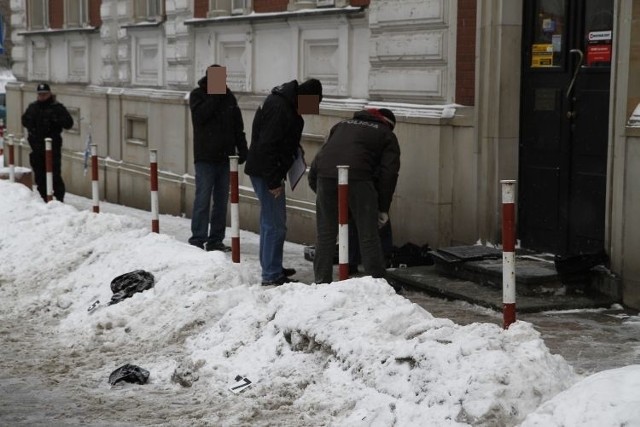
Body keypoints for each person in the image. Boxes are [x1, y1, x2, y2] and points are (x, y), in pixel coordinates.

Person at [245, 78, 323, 286]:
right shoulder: (281, 108)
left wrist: (294, 151)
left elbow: (278, 139)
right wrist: (273, 182)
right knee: (275, 224)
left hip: (266, 169)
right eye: (313, 104)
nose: (311, 110)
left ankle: (272, 267)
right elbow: (268, 146)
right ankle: (271, 274)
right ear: (306, 97)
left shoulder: (283, 103)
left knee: (270, 222)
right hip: (266, 172)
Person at [308, 108, 400, 284]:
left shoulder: (341, 125)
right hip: (359, 178)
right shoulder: (386, 134)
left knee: (325, 234)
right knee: (368, 234)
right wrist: (382, 208)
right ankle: (378, 283)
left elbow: (320, 158)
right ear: (388, 124)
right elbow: (389, 174)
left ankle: (321, 283)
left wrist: (319, 189)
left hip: (324, 176)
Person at [188, 65, 248, 252]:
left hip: (225, 158)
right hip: (205, 157)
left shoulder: (229, 97)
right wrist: (215, 95)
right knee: (203, 199)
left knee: (221, 202)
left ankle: (215, 240)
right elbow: (200, 118)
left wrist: (243, 149)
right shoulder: (198, 95)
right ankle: (198, 239)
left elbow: (238, 126)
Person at [21, 83, 74, 202]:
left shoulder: (57, 107)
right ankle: (43, 198)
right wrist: (32, 127)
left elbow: (69, 123)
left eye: (44, 94)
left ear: (49, 94)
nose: (42, 96)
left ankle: (59, 199)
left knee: (54, 174)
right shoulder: (33, 107)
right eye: (40, 94)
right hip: (37, 147)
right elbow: (25, 121)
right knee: (40, 176)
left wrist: (56, 119)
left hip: (52, 148)